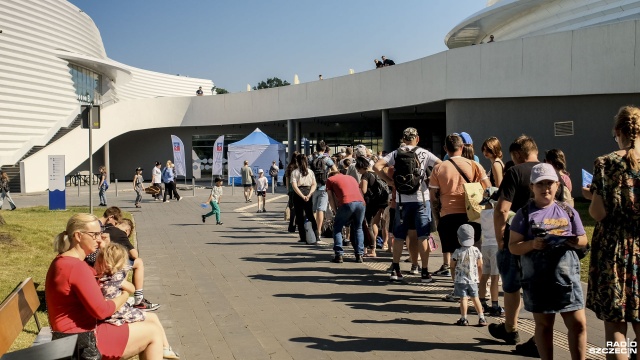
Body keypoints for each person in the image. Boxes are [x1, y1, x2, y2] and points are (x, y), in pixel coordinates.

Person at [45, 213, 170, 360]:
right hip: (81, 342)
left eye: (100, 233)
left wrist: (105, 248)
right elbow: (102, 311)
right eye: (95, 235)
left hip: (71, 337)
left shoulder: (65, 260)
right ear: (78, 236)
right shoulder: (76, 267)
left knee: (149, 321)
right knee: (153, 332)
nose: (99, 239)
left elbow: (101, 276)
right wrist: (125, 295)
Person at [509, 163, 588, 359]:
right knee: (544, 326)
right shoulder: (524, 214)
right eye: (540, 184)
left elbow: (584, 239)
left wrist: (574, 240)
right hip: (538, 280)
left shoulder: (568, 211)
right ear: (532, 187)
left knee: (578, 324)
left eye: (550, 183)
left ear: (557, 185)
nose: (546, 188)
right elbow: (513, 246)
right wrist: (532, 244)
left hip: (567, 279)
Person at [583, 105, 640, 358]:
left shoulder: (606, 163)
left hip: (613, 249)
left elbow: (598, 213)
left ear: (617, 131)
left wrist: (594, 195)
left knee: (615, 328)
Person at [374, 127, 441, 283]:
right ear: (417, 139)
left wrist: (389, 181)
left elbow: (376, 167)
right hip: (421, 200)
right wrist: (431, 181)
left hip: (402, 201)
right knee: (423, 236)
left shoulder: (396, 153)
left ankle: (396, 269)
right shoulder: (424, 153)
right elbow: (441, 165)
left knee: (399, 236)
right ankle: (424, 272)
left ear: (403, 139)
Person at [94, 243, 181, 359]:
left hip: (108, 315)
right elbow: (132, 288)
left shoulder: (100, 279)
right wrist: (125, 291)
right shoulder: (117, 278)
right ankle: (165, 348)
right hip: (119, 314)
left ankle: (165, 348)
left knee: (151, 319)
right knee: (153, 320)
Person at [429, 133, 489, 297]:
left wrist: (438, 213)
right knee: (476, 252)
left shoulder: (439, 168)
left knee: (455, 255)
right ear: (462, 147)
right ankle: (481, 290)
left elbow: (433, 196)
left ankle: (458, 290)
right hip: (472, 215)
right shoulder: (474, 165)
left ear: (445, 149)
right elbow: (488, 188)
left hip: (448, 215)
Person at [109, 218, 161, 312]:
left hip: (102, 261)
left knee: (126, 262)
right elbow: (135, 254)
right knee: (138, 262)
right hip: (110, 264)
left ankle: (123, 296)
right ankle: (139, 299)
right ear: (127, 230)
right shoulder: (120, 233)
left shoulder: (107, 228)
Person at [326, 170, 366, 263]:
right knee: (358, 228)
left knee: (337, 227)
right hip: (361, 202)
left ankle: (339, 254)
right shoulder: (351, 178)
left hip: (346, 202)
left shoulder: (330, 179)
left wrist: (336, 211)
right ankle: (359, 254)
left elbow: (330, 197)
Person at [451, 224, 487, 326]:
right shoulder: (476, 250)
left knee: (463, 299)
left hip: (460, 280)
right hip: (473, 280)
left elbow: (452, 266)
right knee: (476, 298)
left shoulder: (457, 252)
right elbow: (480, 265)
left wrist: (453, 277)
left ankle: (464, 318)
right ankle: (481, 318)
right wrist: (480, 278)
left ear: (459, 238)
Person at [478, 187, 505, 317]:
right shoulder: (497, 213)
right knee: (495, 277)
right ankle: (495, 304)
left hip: (485, 246)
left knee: (484, 275)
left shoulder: (483, 214)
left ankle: (481, 302)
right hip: (495, 246)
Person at [355, 156, 387, 258]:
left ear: (361, 167)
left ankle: (372, 248)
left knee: (367, 225)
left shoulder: (365, 175)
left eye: (358, 169)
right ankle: (369, 248)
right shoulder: (375, 174)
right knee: (373, 224)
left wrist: (358, 188)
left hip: (369, 203)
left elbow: (364, 190)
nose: (358, 171)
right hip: (378, 202)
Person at [290, 153, 320, 244]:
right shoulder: (310, 172)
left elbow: (294, 186)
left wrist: (302, 196)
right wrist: (309, 194)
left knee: (299, 216)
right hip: (308, 192)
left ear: (297, 162)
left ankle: (303, 237)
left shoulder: (295, 172)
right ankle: (316, 236)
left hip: (298, 194)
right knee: (310, 215)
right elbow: (314, 184)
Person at [311, 141, 338, 240]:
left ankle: (312, 230)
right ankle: (318, 231)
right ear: (324, 149)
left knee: (313, 210)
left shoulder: (311, 158)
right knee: (321, 209)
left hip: (312, 187)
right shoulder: (327, 159)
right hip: (324, 186)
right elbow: (335, 170)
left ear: (316, 148)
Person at [285, 152, 299, 233]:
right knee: (300, 208)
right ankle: (298, 223)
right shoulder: (300, 167)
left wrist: (288, 189)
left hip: (291, 189)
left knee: (292, 208)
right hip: (300, 189)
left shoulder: (289, 167)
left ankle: (291, 226)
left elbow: (287, 179)